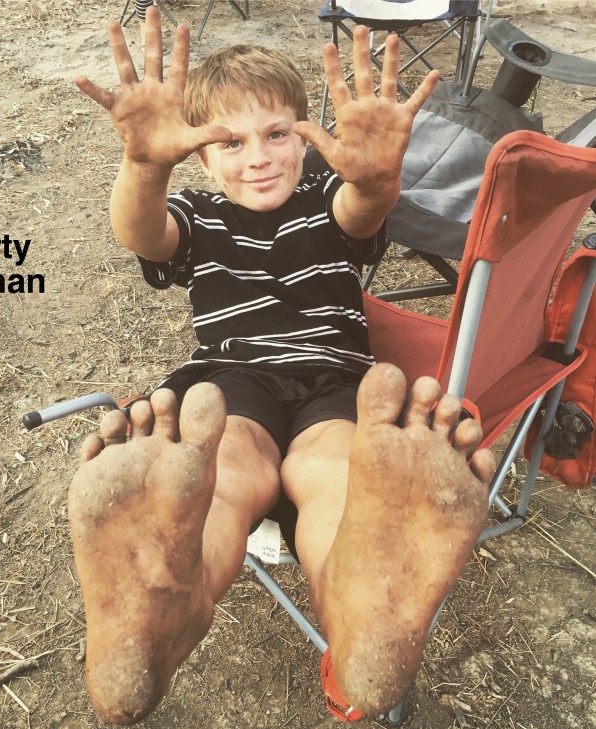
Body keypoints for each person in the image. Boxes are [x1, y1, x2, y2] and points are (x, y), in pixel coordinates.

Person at [71, 8, 496, 725]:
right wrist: (144, 166)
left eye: (277, 134)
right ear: (201, 157)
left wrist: (377, 180)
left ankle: (361, 609)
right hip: (233, 381)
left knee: (337, 470)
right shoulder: (198, 216)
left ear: (306, 137)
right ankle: (160, 599)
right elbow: (141, 232)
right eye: (230, 142)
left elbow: (362, 210)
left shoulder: (326, 198)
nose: (259, 157)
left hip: (335, 380)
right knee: (222, 467)